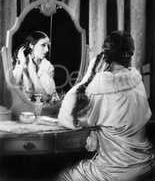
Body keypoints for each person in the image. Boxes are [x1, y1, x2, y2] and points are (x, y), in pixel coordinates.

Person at [57, 30, 155, 181]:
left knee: (64, 176)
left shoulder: (101, 85)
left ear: (105, 56)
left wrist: (90, 74)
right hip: (146, 164)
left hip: (116, 172)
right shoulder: (137, 79)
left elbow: (68, 118)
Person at [13, 30, 59, 103]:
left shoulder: (47, 66)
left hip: (42, 108)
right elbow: (13, 89)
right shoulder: (21, 60)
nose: (47, 50)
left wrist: (32, 71)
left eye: (48, 46)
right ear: (31, 45)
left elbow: (45, 97)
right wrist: (21, 65)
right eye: (43, 45)